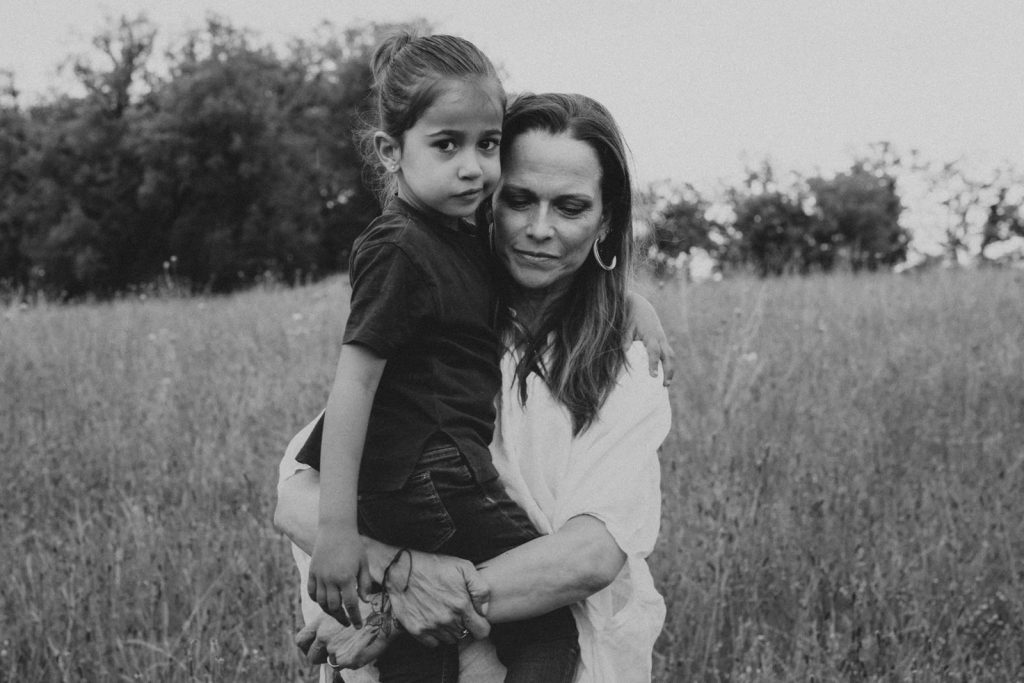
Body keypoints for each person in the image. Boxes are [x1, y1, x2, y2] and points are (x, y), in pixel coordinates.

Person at [277, 92, 673, 682]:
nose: (540, 229)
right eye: (518, 200)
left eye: (569, 207)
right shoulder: (442, 324)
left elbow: (590, 554)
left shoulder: (624, 362)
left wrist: (389, 607)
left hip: (568, 661)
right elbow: (296, 499)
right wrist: (397, 576)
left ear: (605, 221)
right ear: (487, 199)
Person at [299, 32, 581, 682]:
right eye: (447, 144)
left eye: (488, 144)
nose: (473, 166)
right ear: (390, 150)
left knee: (422, 648)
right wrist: (337, 532)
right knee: (548, 619)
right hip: (438, 479)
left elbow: (544, 287)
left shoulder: (459, 235)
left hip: (413, 484)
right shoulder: (399, 246)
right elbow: (354, 382)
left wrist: (632, 306)